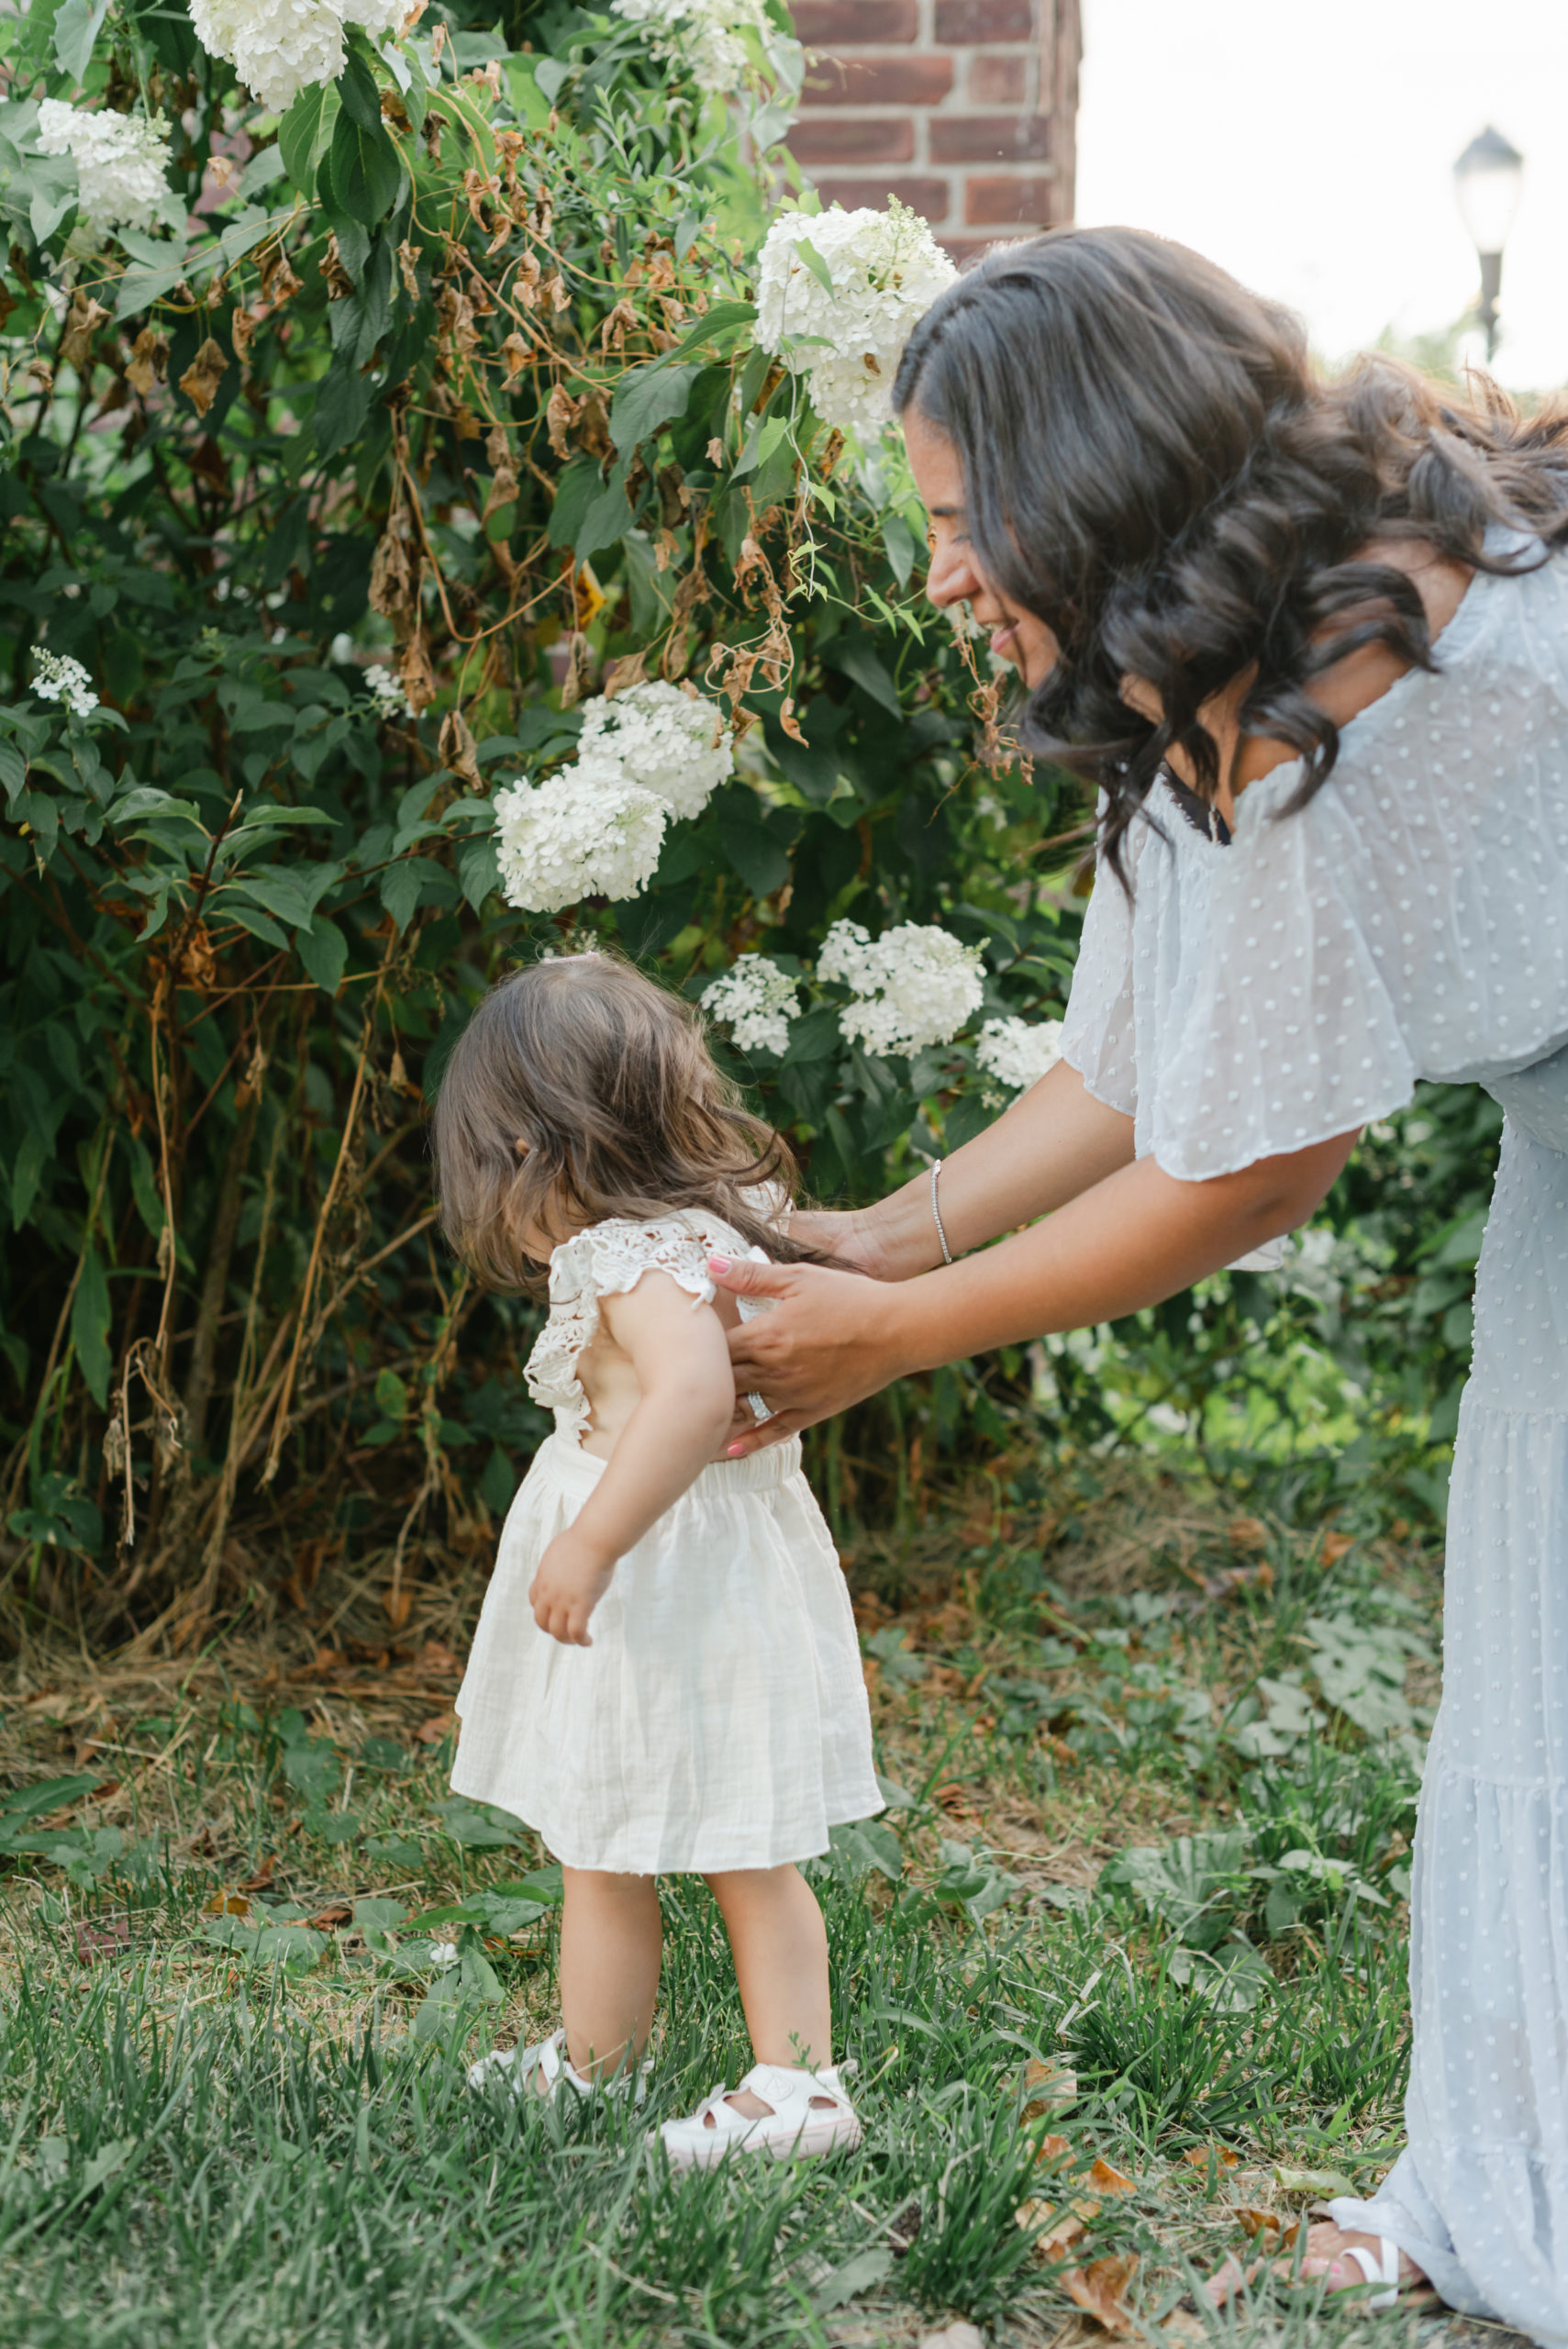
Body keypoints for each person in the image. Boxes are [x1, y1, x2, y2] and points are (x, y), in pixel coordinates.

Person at [709, 228, 1568, 2339]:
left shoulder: (1347, 692)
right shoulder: (1219, 657)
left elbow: (1255, 1163)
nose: (934, 577)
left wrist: (893, 1338)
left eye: (948, 521)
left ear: (1082, 480)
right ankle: (1499, 2180)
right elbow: (1136, 1056)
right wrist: (874, 1233)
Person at [432, 951, 878, 2168]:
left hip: (657, 1584)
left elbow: (686, 1398)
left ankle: (798, 2088)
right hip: (707, 1573)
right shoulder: (710, 1234)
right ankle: (601, 2066)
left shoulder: (628, 1257)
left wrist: (592, 1539)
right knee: (640, 1838)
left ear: (535, 1148)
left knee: (663, 1845)